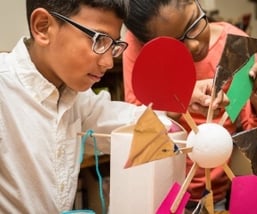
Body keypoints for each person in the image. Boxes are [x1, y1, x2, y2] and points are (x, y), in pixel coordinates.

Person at [122, 0, 257, 212]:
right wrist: (175, 107)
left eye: (194, 24)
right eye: (174, 44)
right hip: (158, 195)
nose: (194, 45)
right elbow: (135, 132)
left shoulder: (236, 46)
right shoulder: (138, 48)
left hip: (214, 196)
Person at [0, 0, 149, 212]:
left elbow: (127, 122)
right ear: (43, 27)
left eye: (113, 45)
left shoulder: (76, 96)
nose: (108, 62)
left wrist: (181, 103)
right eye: (98, 40)